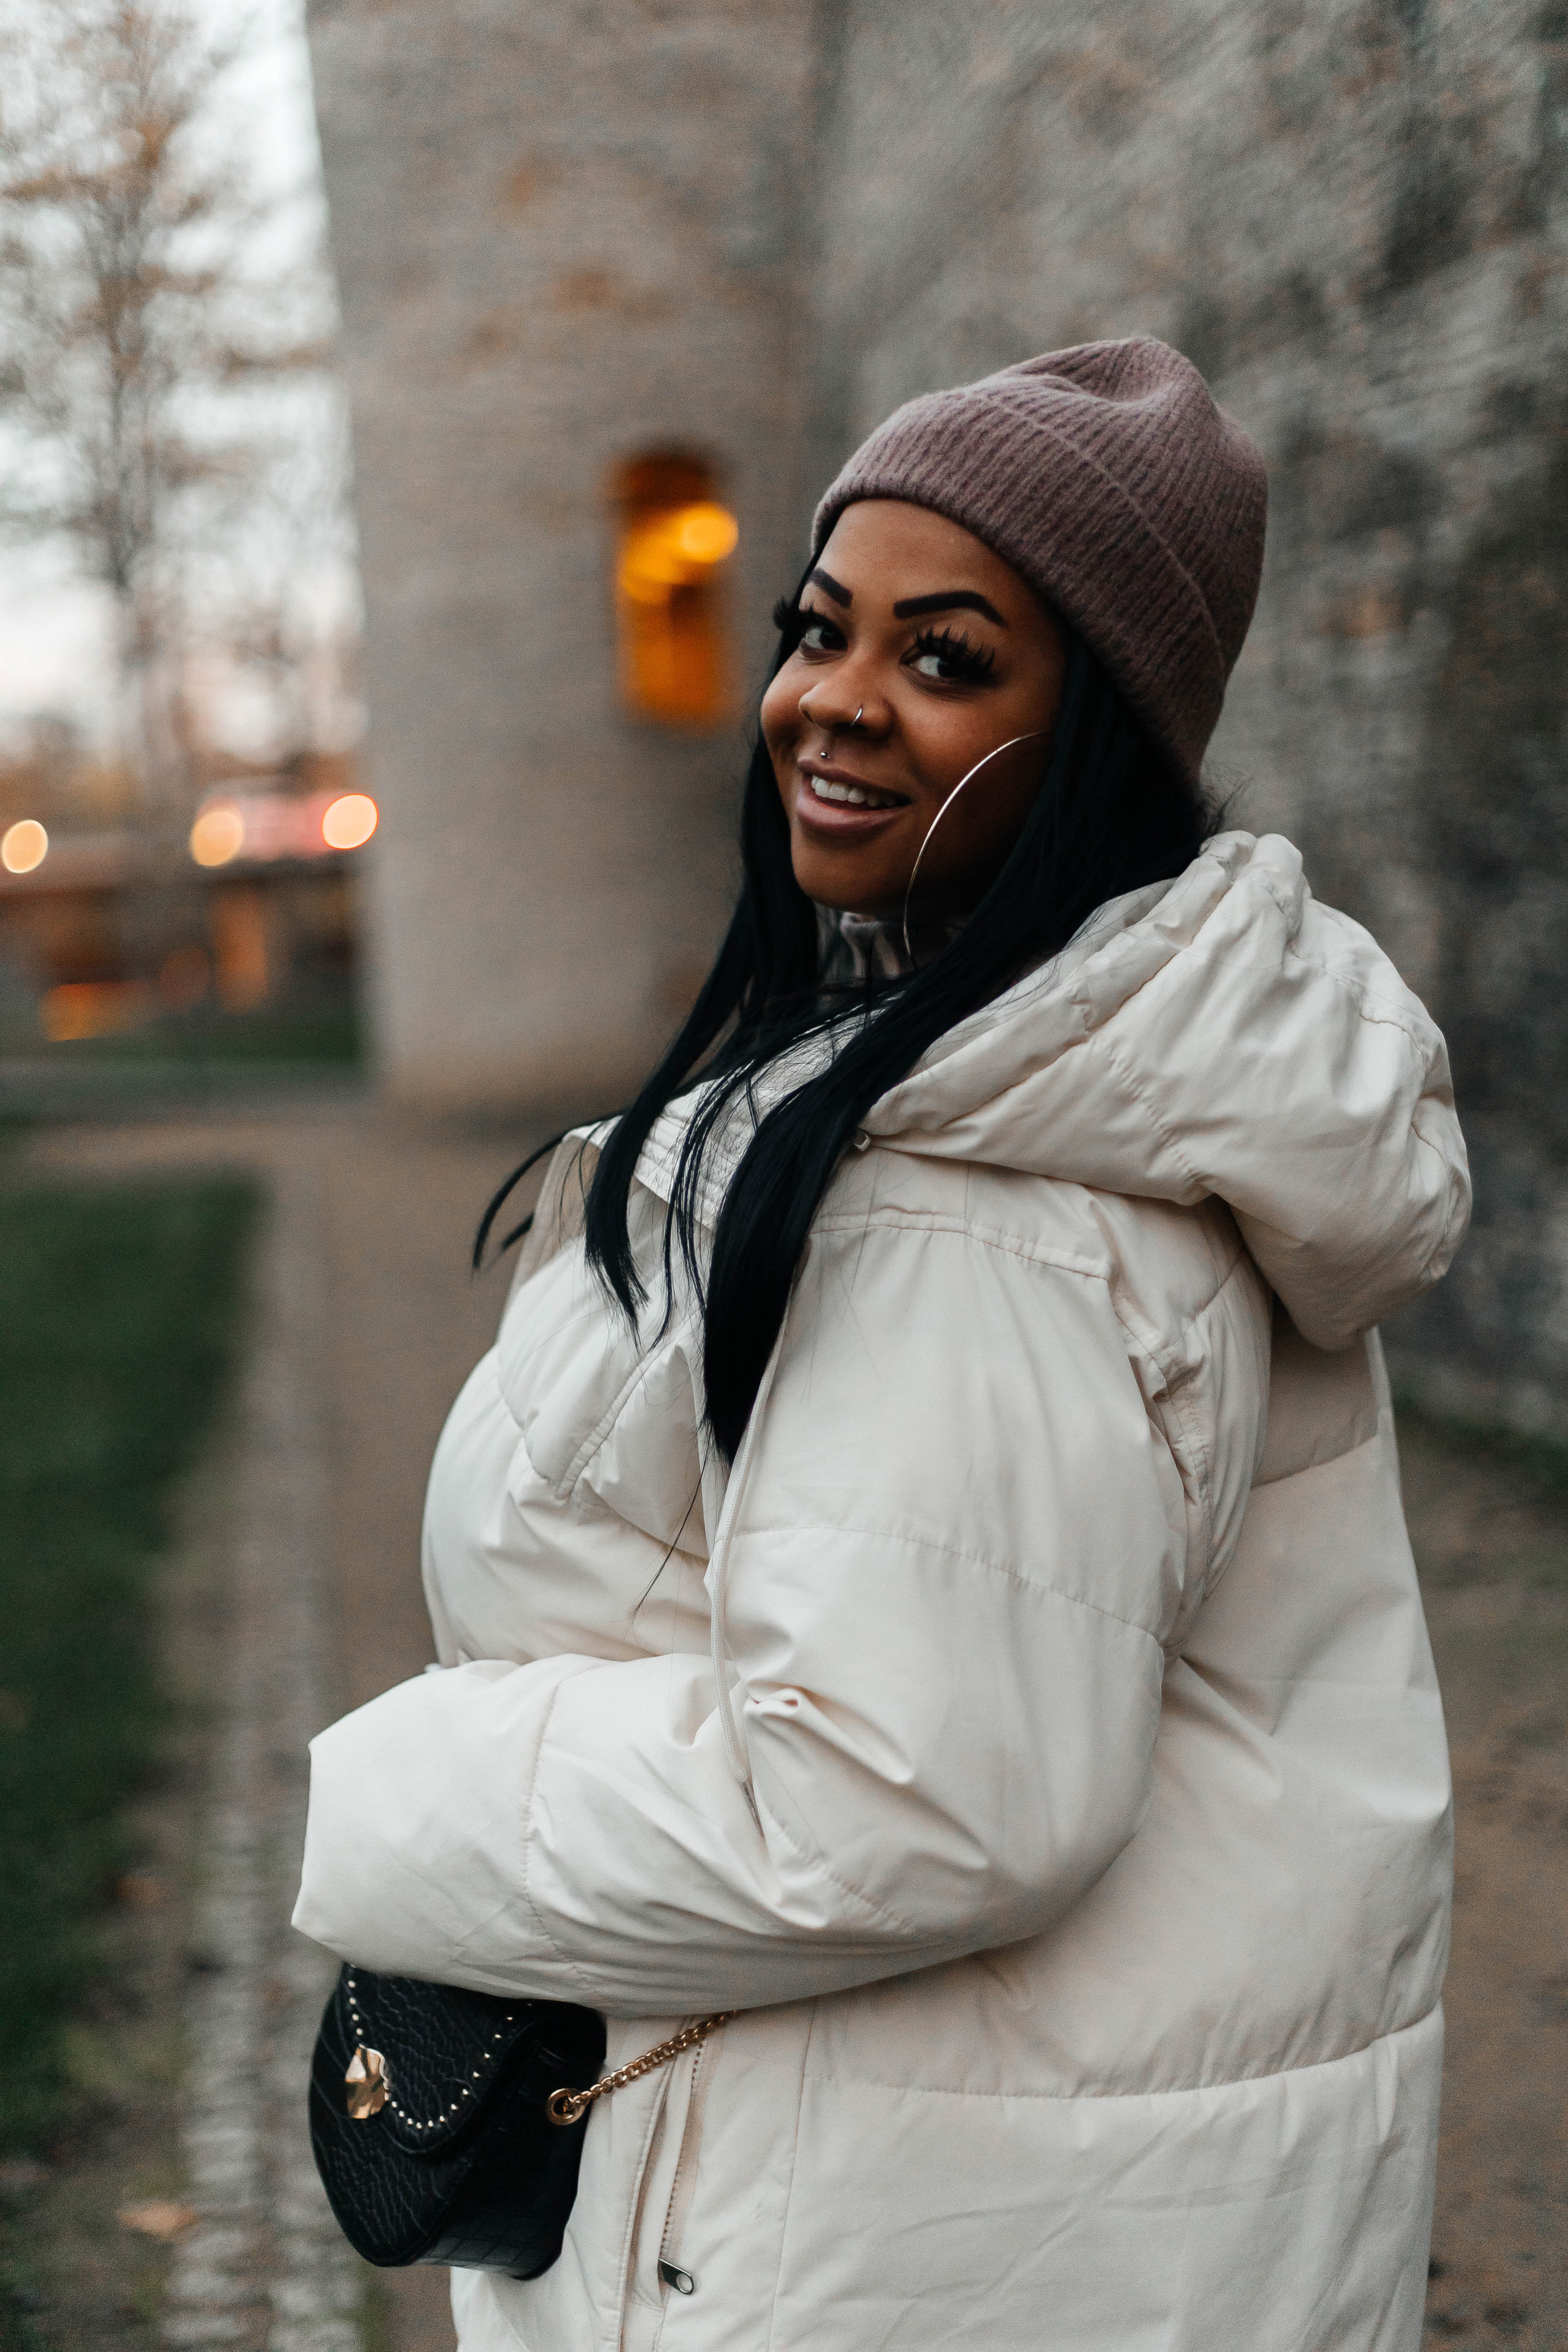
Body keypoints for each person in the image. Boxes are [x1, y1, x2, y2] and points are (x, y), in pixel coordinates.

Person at [295, 337, 1469, 2352]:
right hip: (963, 2205)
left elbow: (895, 1799)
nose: (836, 701)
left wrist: (400, 1792)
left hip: (871, 2252)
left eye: (947, 659)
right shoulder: (1023, 1081)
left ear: (1095, 729)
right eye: (821, 629)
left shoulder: (987, 1204)